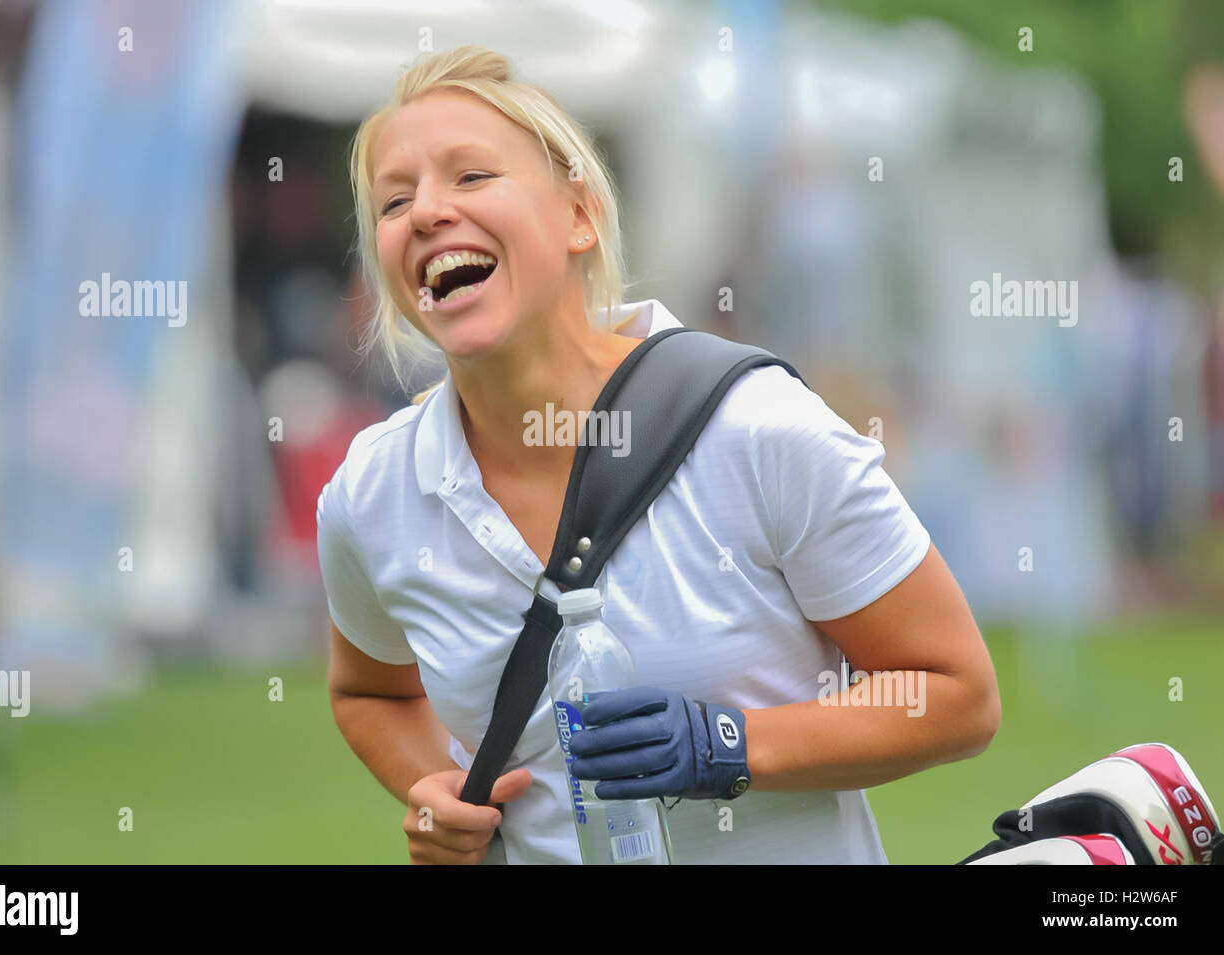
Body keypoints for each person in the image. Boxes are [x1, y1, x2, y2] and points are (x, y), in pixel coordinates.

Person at [317, 45, 1000, 865]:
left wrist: (727, 745)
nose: (427, 211)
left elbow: (957, 694)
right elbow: (367, 688)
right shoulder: (372, 493)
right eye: (395, 200)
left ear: (579, 215)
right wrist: (443, 792)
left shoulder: (757, 429)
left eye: (470, 177)